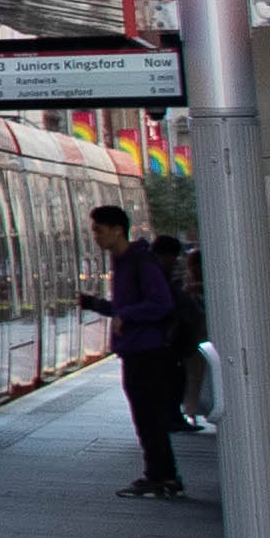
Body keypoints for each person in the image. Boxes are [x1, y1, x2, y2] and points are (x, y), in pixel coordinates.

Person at [92, 201, 193, 498]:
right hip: (134, 350)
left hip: (148, 351)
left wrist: (127, 316)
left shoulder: (141, 262)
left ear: (117, 230)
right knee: (145, 417)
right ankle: (160, 475)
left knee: (149, 417)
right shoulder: (123, 262)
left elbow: (161, 304)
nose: (95, 236)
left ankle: (162, 477)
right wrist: (99, 306)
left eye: (99, 230)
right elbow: (129, 306)